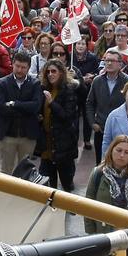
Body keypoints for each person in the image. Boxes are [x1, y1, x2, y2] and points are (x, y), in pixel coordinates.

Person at [0, 50, 45, 174]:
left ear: (28, 68)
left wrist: (14, 104)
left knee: (25, 171)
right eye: (17, 66)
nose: (20, 70)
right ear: (12, 64)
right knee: (6, 171)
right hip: (7, 135)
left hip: (27, 136)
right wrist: (25, 108)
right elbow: (0, 108)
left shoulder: (35, 83)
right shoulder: (2, 83)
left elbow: (35, 107)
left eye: (23, 67)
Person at [38, 58, 80, 191]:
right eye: (48, 72)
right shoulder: (43, 89)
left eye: (54, 71)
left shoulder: (68, 91)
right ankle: (50, 211)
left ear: (61, 73)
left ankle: (67, 211)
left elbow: (67, 117)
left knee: (66, 185)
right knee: (48, 186)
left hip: (63, 145)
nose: (50, 74)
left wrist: (52, 103)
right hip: (47, 144)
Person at [85, 48, 128, 161]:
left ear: (120, 64)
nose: (108, 63)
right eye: (106, 60)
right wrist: (92, 123)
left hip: (121, 130)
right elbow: (90, 103)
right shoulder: (97, 81)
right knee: (101, 162)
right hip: (101, 129)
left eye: (112, 61)